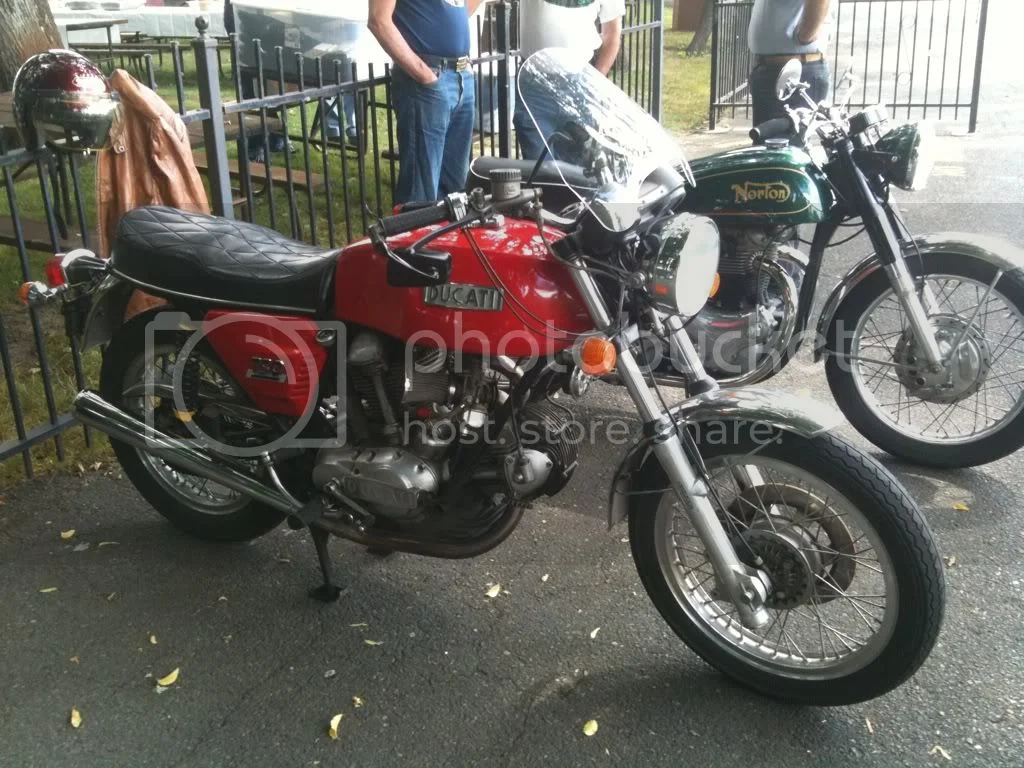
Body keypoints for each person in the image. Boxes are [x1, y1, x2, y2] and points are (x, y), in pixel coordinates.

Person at [369, 0, 482, 204]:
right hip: (427, 79)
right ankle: (417, 226)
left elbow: (461, 7)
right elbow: (378, 21)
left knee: (456, 188)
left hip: (459, 75)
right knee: (420, 189)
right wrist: (424, 74)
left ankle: (447, 226)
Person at [514, 0, 625, 160]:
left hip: (581, 84)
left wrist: (595, 82)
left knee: (577, 165)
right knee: (539, 165)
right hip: (534, 85)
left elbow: (612, 34)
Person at [747, 0, 833, 126]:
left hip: (796, 72)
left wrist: (806, 34)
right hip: (774, 70)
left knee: (784, 137)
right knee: (767, 136)